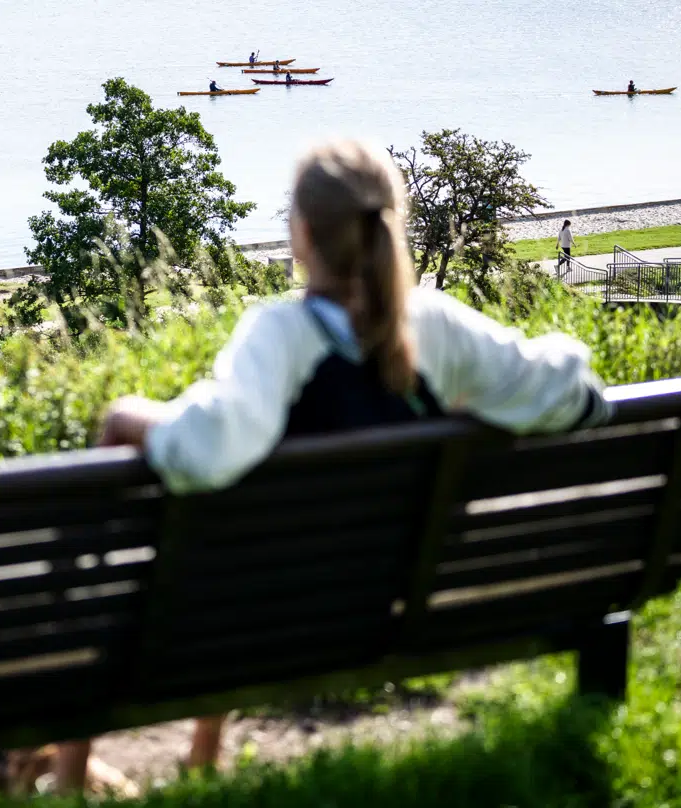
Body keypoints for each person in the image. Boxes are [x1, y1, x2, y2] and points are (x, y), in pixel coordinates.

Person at [54, 140, 613, 792]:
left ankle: (69, 776)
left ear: (300, 234)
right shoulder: (437, 328)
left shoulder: (282, 337)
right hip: (391, 603)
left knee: (185, 545)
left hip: (266, 620)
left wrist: (128, 415)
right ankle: (195, 756)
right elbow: (570, 396)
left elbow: (209, 448)